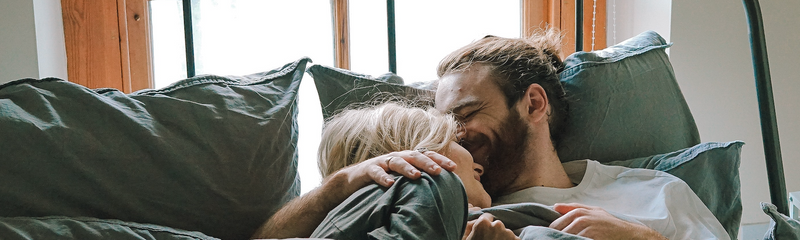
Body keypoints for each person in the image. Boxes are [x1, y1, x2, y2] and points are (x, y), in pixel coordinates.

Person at [431, 30, 730, 240]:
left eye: (466, 115)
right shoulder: (455, 209)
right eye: (443, 126)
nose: (453, 136)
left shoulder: (655, 193)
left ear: (534, 104)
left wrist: (640, 238)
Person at [254, 102, 518, 239]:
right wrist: (334, 189)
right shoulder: (430, 186)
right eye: (458, 143)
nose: (479, 164)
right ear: (415, 152)